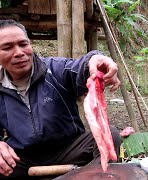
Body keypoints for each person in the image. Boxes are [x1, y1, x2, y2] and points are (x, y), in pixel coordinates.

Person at [0, 19, 122, 179]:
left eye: (23, 44)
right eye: (8, 47)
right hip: (23, 159)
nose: (19, 52)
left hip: (69, 150)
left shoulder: (55, 70)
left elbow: (81, 67)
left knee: (110, 136)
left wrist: (96, 60)